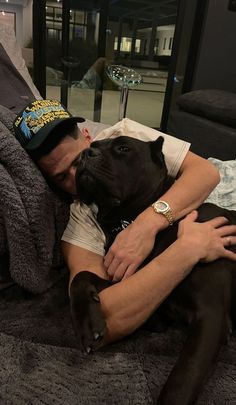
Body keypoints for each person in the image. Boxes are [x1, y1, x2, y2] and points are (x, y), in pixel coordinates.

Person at [13, 99, 236, 346]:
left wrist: (145, 226)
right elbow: (106, 316)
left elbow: (206, 173)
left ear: (87, 137)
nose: (78, 177)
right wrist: (187, 250)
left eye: (78, 161)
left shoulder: (125, 135)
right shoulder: (79, 218)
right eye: (62, 177)